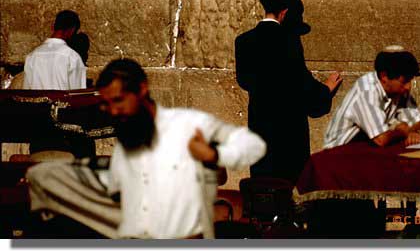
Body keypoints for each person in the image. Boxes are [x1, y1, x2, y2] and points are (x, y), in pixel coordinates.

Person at [27, 58, 266, 239]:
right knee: (43, 178)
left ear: (141, 91)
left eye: (118, 101)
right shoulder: (130, 128)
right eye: (107, 105)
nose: (113, 111)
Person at [235, 0, 342, 184]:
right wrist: (326, 89)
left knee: (264, 189)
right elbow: (302, 84)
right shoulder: (288, 41)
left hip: (259, 129)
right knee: (290, 191)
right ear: (284, 13)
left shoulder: (243, 41)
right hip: (288, 133)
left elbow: (244, 81)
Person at [323, 45, 420, 148]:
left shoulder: (399, 90)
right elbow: (381, 139)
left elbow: (416, 121)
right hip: (340, 151)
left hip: (365, 147)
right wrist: (402, 130)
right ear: (384, 76)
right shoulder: (367, 91)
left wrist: (416, 133)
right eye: (405, 81)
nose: (408, 86)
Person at [23, 9, 86, 90]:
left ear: (53, 26)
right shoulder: (72, 57)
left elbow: (26, 92)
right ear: (72, 30)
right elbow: (77, 95)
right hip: (62, 102)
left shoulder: (32, 56)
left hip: (36, 102)